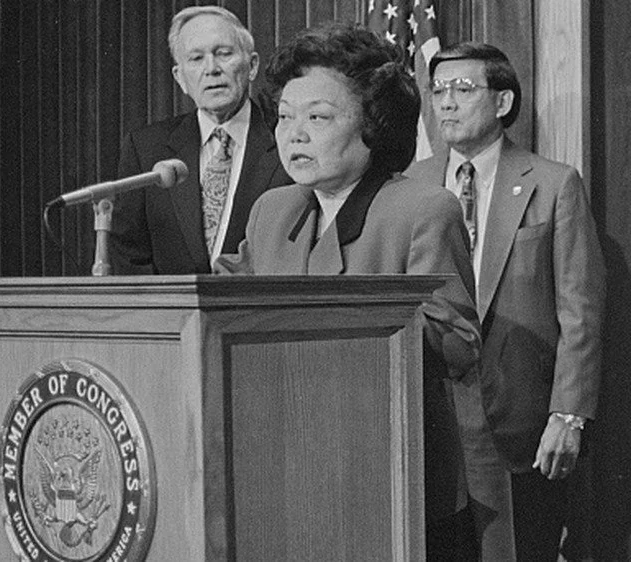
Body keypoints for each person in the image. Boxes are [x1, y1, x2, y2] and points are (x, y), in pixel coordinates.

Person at [215, 22, 482, 559]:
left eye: (317, 118)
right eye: (286, 118)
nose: (293, 135)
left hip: (384, 468)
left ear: (374, 127)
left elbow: (459, 344)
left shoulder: (422, 209)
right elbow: (222, 307)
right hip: (280, 462)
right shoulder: (273, 210)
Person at [406, 43, 605, 561]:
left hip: (522, 422)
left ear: (502, 102)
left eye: (463, 89)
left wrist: (569, 415)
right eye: (439, 90)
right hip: (433, 418)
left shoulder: (552, 183)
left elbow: (580, 310)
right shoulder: (411, 184)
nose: (446, 103)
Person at [111, 6, 291, 274]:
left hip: (257, 312)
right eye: (196, 58)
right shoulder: (146, 147)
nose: (212, 69)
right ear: (180, 78)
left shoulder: (286, 136)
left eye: (224, 54)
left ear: (252, 66)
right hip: (172, 314)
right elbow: (129, 254)